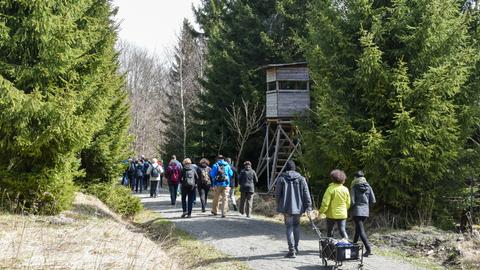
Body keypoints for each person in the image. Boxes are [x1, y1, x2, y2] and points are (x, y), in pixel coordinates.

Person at [276, 160, 312, 258]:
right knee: (296, 227)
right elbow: (306, 193)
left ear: (286, 168)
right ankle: (296, 248)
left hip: (286, 208)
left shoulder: (281, 178)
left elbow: (277, 194)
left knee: (289, 227)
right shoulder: (301, 179)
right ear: (294, 168)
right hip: (298, 208)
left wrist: (278, 204)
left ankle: (291, 250)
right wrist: (308, 206)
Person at [319, 169, 351, 239]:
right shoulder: (345, 189)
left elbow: (325, 203)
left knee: (330, 231)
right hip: (342, 214)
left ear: (333, 178)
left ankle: (330, 247)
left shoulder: (330, 189)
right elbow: (348, 203)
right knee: (342, 230)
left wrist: (321, 212)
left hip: (331, 215)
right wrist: (344, 210)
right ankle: (347, 246)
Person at [350, 170, 376, 257]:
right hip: (365, 211)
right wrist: (366, 206)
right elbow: (373, 200)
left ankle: (368, 249)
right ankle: (353, 246)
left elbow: (352, 201)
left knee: (361, 231)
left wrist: (349, 209)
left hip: (357, 211)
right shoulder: (369, 187)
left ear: (356, 177)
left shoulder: (354, 187)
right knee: (358, 229)